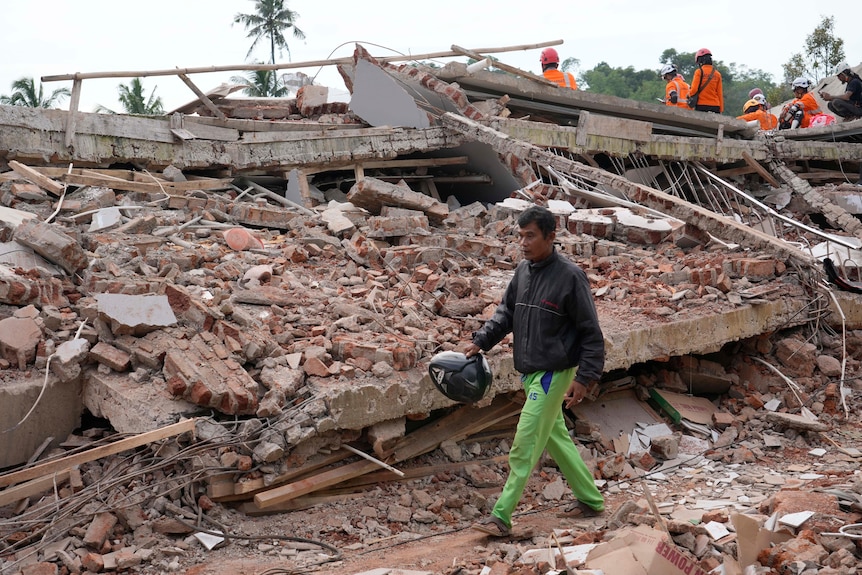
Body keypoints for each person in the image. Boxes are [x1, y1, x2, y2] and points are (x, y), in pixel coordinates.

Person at [465, 205, 605, 537]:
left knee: (525, 443)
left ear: (550, 237)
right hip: (529, 374)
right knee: (555, 438)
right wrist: (481, 341)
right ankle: (591, 500)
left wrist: (585, 378)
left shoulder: (571, 277)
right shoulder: (523, 272)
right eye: (521, 236)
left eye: (531, 236)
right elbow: (506, 313)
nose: (524, 243)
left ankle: (501, 515)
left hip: (553, 373)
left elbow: (591, 332)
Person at [689, 48, 724, 113]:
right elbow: (719, 93)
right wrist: (721, 109)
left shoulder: (699, 72)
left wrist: (689, 95)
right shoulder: (717, 74)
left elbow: (694, 90)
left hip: (701, 105)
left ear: (700, 61)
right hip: (715, 106)